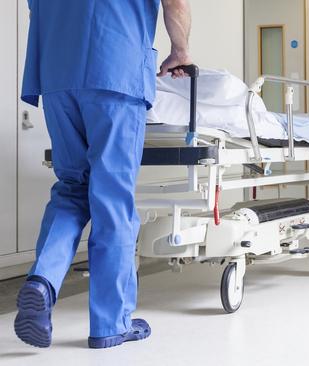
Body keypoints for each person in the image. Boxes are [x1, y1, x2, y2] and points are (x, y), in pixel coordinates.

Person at [15, 0, 192, 349]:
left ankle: (42, 281)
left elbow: (36, 10)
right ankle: (111, 322)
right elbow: (175, 2)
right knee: (111, 196)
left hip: (56, 75)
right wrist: (180, 51)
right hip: (115, 70)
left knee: (71, 188)